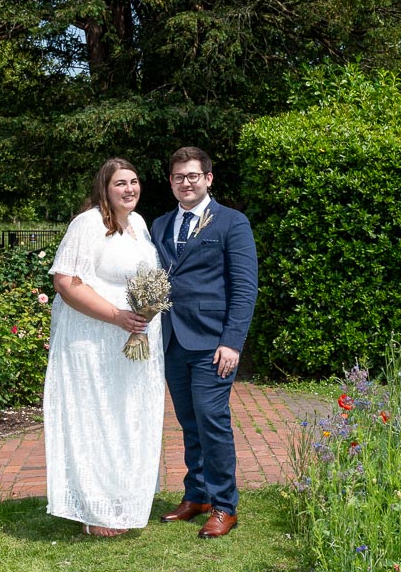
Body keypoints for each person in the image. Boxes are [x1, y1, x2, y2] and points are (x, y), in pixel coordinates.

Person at [43, 158, 166, 537]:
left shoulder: (139, 225)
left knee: (126, 416)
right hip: (94, 339)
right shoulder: (88, 224)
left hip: (133, 341)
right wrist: (116, 316)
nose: (129, 189)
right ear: (104, 188)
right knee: (95, 416)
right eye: (120, 184)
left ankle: (120, 499)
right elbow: (66, 281)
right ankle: (94, 510)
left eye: (134, 181)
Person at [150, 147, 258, 538]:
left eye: (193, 175)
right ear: (171, 182)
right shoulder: (160, 224)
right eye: (179, 177)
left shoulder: (232, 222)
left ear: (208, 179)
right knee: (189, 423)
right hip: (172, 340)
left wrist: (232, 342)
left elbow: (245, 288)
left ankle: (225, 505)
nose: (186, 182)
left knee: (212, 421)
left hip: (213, 343)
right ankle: (197, 495)